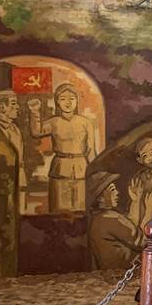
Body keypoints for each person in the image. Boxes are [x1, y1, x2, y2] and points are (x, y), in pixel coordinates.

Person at [27, 83, 99, 212]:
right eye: (63, 99)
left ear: (77, 101)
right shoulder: (54, 122)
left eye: (71, 98)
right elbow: (36, 132)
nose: (68, 102)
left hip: (81, 169)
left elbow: (91, 150)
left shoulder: (86, 123)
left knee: (81, 208)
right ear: (57, 102)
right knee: (59, 209)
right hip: (59, 168)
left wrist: (95, 172)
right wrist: (34, 111)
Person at [87, 171, 152, 269]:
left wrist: (136, 201)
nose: (117, 193)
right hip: (125, 270)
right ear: (100, 198)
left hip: (116, 269)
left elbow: (130, 226)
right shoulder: (110, 219)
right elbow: (142, 241)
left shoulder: (101, 217)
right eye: (112, 190)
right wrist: (149, 211)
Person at [0, 89, 27, 204]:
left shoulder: (15, 129)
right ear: (2, 107)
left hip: (20, 176)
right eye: (13, 103)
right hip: (4, 179)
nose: (17, 107)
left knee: (21, 207)